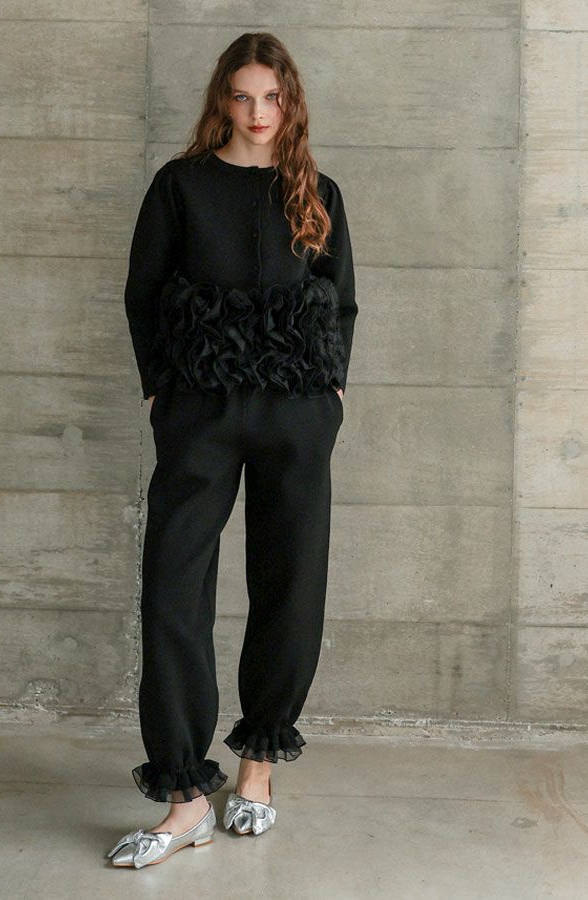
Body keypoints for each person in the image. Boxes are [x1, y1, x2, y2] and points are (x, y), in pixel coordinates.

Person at [107, 31, 357, 868]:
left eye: (272, 98)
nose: (258, 113)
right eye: (244, 97)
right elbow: (144, 292)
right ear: (223, 99)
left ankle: (258, 766)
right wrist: (161, 390)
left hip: (295, 412)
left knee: (292, 580)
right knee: (172, 588)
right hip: (201, 409)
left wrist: (332, 397)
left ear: (290, 103)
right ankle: (185, 798)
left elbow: (340, 302)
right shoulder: (179, 185)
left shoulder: (316, 190)